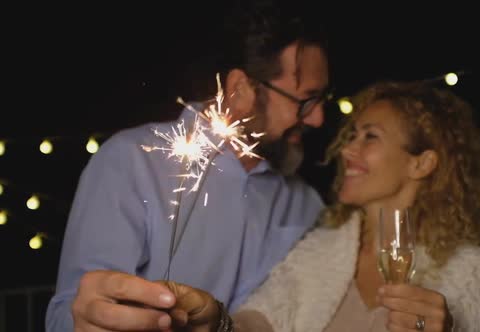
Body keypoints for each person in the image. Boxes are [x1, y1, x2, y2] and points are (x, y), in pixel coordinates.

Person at [44, 1, 333, 331]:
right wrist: (86, 320)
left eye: (323, 99)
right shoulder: (130, 162)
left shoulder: (306, 206)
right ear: (240, 90)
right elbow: (64, 314)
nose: (318, 118)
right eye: (306, 100)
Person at [157, 80, 480, 331]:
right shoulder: (316, 254)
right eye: (352, 135)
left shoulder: (478, 278)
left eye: (370, 137)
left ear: (422, 163)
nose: (348, 150)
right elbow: (261, 324)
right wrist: (215, 320)